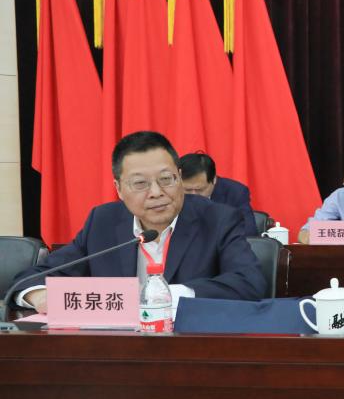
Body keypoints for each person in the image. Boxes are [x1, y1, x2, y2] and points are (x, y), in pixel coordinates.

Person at [10, 131, 265, 312]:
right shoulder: (103, 222)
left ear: (179, 177)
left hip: (190, 351)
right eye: (140, 183)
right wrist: (39, 296)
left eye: (166, 179)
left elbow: (250, 283)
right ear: (119, 189)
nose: (156, 192)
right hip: (116, 353)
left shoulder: (218, 219)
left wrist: (163, 295)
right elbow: (28, 280)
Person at [179, 152, 259, 236]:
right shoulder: (171, 192)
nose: (193, 195)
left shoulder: (235, 193)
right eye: (187, 190)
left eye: (199, 190)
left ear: (214, 180)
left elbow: (249, 231)